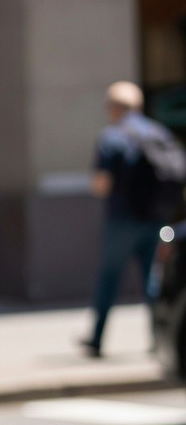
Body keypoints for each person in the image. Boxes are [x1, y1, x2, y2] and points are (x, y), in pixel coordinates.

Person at [81, 80, 174, 357]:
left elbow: (101, 183)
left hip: (122, 220)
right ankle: (160, 339)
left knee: (109, 277)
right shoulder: (159, 133)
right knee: (152, 280)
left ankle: (96, 340)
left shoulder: (113, 136)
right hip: (155, 219)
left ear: (115, 108)